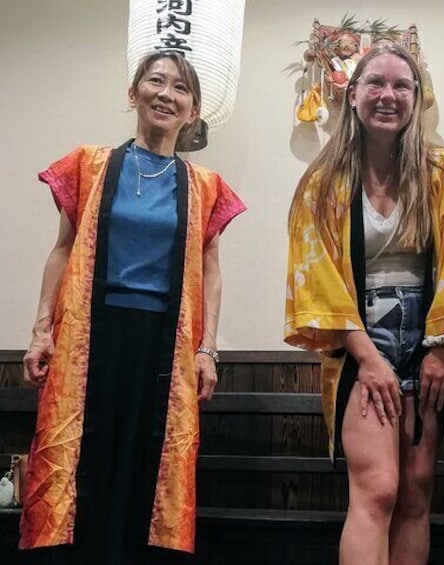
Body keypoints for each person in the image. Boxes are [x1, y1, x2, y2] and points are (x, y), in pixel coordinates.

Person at [19, 51, 246, 563]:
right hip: (89, 335)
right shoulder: (89, 164)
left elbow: (211, 269)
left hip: (165, 342)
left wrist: (209, 348)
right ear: (134, 94)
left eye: (180, 88)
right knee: (82, 459)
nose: (166, 94)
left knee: (152, 462)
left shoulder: (204, 186)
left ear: (193, 110)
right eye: (155, 81)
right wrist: (40, 332)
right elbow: (63, 248)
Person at [284, 43, 444, 565]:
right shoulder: (322, 180)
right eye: (375, 84)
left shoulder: (443, 170)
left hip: (431, 330)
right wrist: (367, 357)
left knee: (417, 489)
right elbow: (316, 278)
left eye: (401, 85)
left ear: (417, 98)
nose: (388, 95)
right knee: (378, 487)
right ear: (352, 94)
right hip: (361, 334)